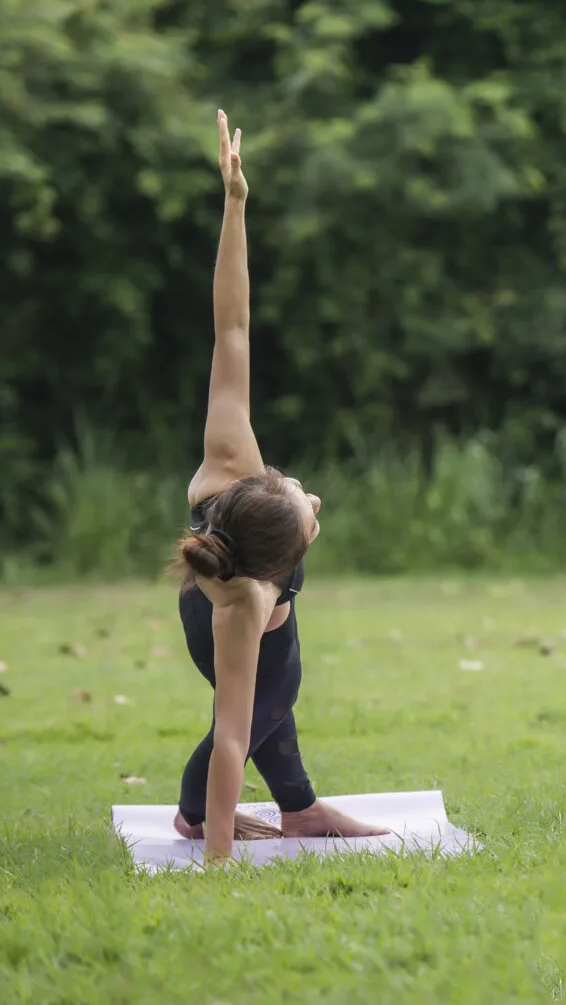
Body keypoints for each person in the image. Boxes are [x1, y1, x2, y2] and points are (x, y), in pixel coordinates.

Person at [168, 110, 389, 862]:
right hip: (222, 621)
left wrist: (235, 206)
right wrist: (218, 859)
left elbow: (231, 327)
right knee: (259, 707)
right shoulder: (247, 604)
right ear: (276, 567)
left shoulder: (231, 458)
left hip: (232, 594)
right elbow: (231, 739)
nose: (311, 496)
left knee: (274, 700)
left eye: (292, 490)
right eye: (309, 514)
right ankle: (193, 818)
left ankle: (299, 808)